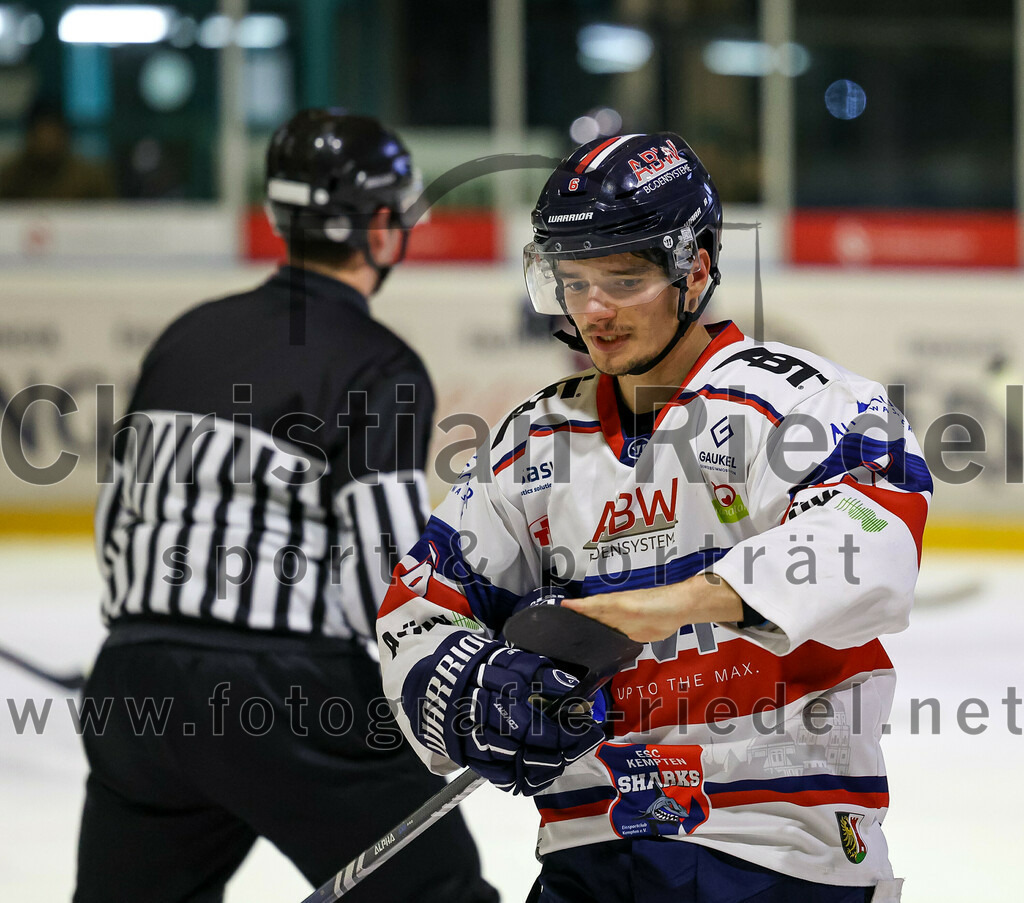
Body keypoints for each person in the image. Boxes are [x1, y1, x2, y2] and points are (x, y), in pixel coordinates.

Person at [378, 132, 931, 902]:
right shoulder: (528, 442)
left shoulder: (800, 401)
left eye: (623, 278)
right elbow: (416, 606)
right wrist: (475, 693)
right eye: (572, 282)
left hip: (772, 843)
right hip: (588, 847)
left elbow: (872, 537)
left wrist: (668, 604)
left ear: (695, 268)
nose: (593, 311)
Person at [74, 109, 498, 903]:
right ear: (381, 223)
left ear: (278, 213)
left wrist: (154, 656)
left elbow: (116, 526)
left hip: (132, 685)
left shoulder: (185, 335)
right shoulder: (378, 363)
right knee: (436, 895)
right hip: (293, 702)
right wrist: (470, 676)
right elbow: (390, 573)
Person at [0, 100, 116, 200]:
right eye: (42, 134)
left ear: (64, 135)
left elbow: (113, 217)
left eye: (53, 134)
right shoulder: (9, 178)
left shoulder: (90, 179)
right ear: (30, 136)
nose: (47, 142)